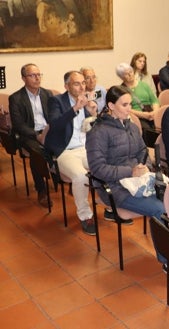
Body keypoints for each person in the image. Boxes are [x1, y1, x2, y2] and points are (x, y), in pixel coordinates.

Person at [86, 85, 169, 287]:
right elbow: (97, 169)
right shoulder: (98, 132)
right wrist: (130, 172)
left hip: (138, 182)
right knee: (160, 209)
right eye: (124, 105)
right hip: (115, 188)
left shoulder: (132, 127)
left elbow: (143, 153)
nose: (129, 108)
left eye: (130, 104)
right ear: (110, 106)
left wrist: (145, 166)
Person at [44, 71, 98, 235]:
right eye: (76, 83)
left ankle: (112, 207)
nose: (82, 86)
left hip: (86, 148)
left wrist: (93, 112)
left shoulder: (88, 101)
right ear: (66, 86)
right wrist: (76, 108)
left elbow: (95, 128)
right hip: (65, 151)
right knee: (81, 176)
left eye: (83, 82)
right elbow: (55, 124)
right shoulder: (56, 101)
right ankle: (85, 216)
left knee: (105, 166)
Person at [9, 63, 53, 208]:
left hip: (48, 131)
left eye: (39, 75)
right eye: (32, 75)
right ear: (23, 78)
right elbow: (18, 124)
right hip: (29, 135)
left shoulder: (47, 94)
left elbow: (54, 116)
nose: (37, 78)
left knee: (67, 143)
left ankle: (65, 179)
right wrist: (37, 135)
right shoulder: (16, 98)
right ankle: (42, 190)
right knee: (37, 152)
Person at [116, 62, 159, 131]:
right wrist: (144, 115)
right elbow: (126, 109)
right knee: (147, 130)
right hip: (136, 117)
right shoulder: (121, 90)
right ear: (122, 77)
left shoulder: (144, 85)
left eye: (131, 72)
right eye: (126, 74)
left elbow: (154, 101)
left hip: (152, 113)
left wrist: (155, 112)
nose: (130, 75)